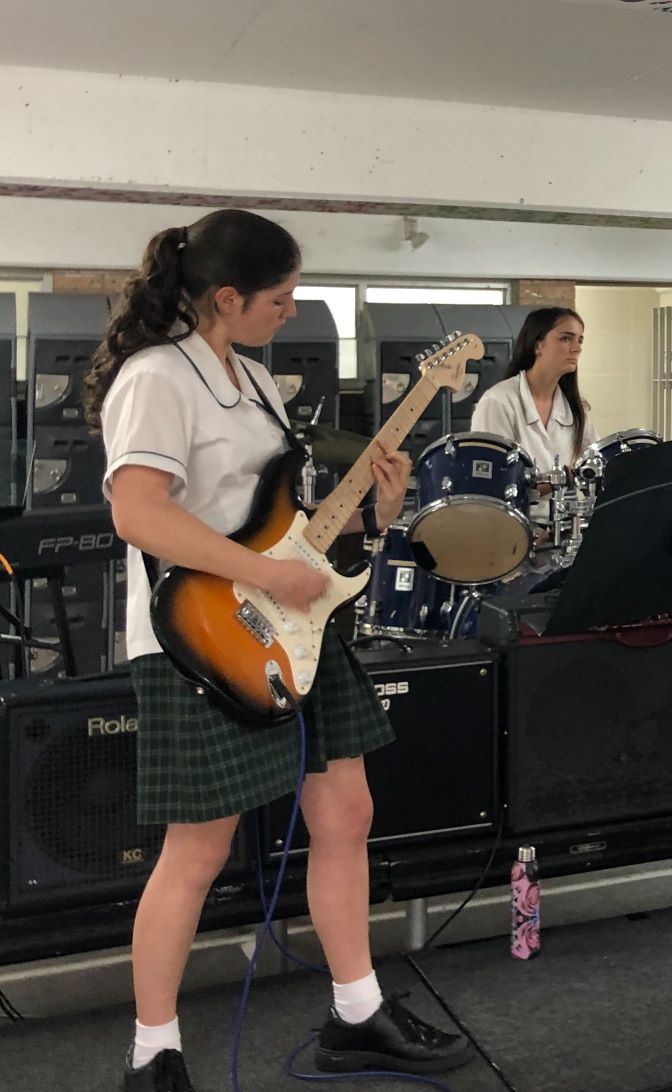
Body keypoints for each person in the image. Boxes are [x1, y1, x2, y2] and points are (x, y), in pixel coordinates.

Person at [86, 209, 473, 1091]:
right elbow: (138, 513)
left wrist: (375, 509)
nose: (292, 310)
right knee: (197, 850)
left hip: (293, 618)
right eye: (282, 295)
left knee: (347, 814)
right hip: (198, 639)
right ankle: (153, 1056)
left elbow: (284, 521)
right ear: (226, 296)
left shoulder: (255, 381)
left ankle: (358, 1013)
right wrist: (266, 572)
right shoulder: (156, 378)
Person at [470, 306, 600, 530]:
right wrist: (545, 486)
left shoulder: (577, 409)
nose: (577, 348)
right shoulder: (499, 402)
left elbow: (596, 463)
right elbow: (488, 483)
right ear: (538, 344)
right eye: (566, 338)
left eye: (580, 340)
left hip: (567, 534)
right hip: (512, 536)